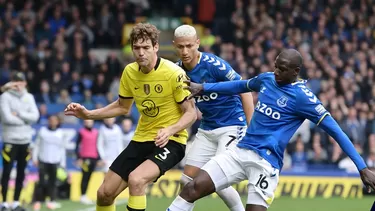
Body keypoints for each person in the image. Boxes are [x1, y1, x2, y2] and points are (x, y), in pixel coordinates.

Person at [167, 49, 375, 211]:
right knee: (191, 188)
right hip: (240, 152)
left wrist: (362, 167)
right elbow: (239, 86)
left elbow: (337, 132)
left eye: (282, 69)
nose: (276, 72)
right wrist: (204, 88)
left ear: (296, 71)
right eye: (276, 66)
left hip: (265, 163)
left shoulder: (304, 98)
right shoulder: (267, 79)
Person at [64, 22, 197, 211]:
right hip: (141, 139)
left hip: (171, 141)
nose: (141, 53)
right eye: (137, 48)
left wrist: (170, 130)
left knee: (137, 180)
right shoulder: (129, 72)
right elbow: (122, 107)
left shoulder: (174, 73)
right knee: (104, 194)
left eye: (146, 48)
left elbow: (191, 113)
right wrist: (88, 114)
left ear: (156, 47)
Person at [173, 24, 254, 211]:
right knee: (186, 180)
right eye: (180, 47)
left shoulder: (214, 65)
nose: (185, 51)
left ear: (197, 43)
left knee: (217, 178)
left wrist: (252, 129)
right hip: (207, 129)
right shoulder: (176, 71)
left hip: (232, 125)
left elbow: (246, 91)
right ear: (174, 45)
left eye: (189, 46)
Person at [0, 72, 40, 211]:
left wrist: (19, 114)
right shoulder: (5, 97)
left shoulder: (29, 97)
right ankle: (4, 203)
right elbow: (6, 118)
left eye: (21, 81)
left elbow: (35, 117)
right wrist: (25, 120)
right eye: (16, 81)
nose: (19, 84)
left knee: (21, 173)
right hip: (10, 139)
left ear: (25, 83)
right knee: (6, 172)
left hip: (25, 140)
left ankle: (16, 202)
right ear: (12, 83)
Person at [32, 115, 66, 211]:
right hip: (43, 160)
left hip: (55, 161)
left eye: (55, 120)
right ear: (48, 121)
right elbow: (37, 145)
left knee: (53, 182)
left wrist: (63, 163)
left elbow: (62, 148)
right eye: (51, 120)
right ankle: (37, 202)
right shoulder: (43, 131)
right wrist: (35, 158)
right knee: (41, 182)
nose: (53, 122)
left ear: (58, 122)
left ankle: (51, 201)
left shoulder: (60, 133)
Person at [75, 119, 100, 205]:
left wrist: (98, 158)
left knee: (89, 176)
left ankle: (85, 195)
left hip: (94, 157)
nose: (89, 123)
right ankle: (82, 195)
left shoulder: (96, 132)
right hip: (85, 158)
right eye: (87, 122)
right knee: (85, 176)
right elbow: (77, 145)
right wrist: (79, 158)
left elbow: (98, 145)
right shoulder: (81, 132)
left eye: (90, 122)